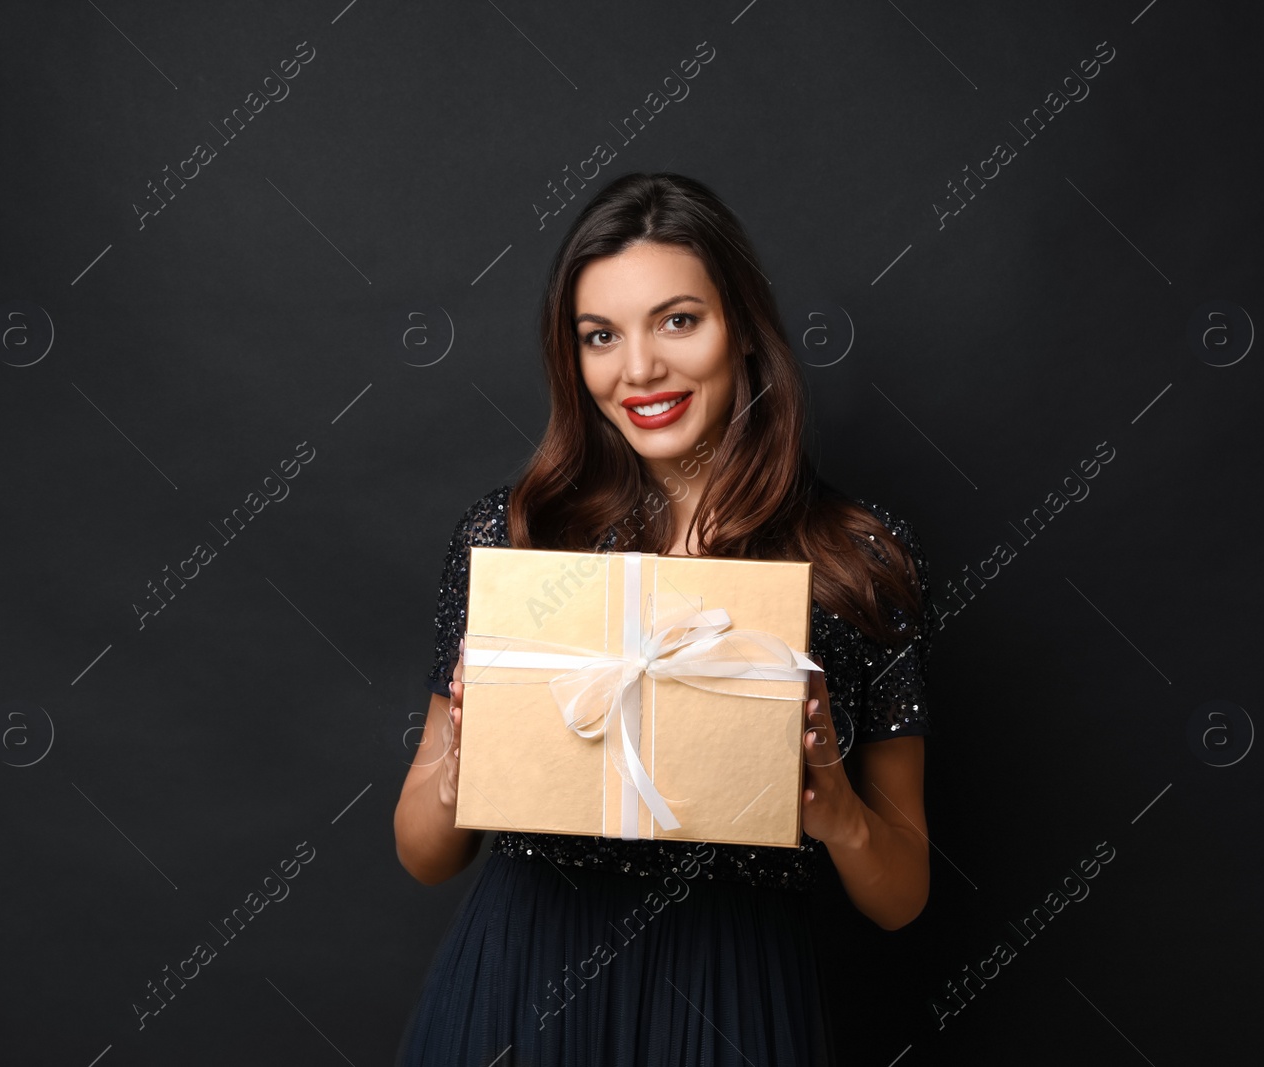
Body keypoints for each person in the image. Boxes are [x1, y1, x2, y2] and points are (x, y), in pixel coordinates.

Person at [392, 172, 933, 1065]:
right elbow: (423, 853)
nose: (637, 369)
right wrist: (462, 764)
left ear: (744, 333)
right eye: (600, 336)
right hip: (521, 983)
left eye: (677, 320)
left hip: (733, 994)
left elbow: (902, 891)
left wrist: (838, 811)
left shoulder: (852, 559)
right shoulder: (519, 540)